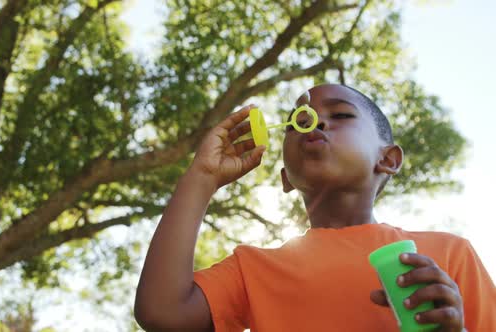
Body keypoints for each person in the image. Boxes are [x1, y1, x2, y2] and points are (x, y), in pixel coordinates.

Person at [133, 84, 496, 331]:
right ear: (286, 178)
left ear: (388, 158)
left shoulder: (448, 254)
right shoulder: (253, 269)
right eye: (297, 121)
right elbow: (162, 313)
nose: (314, 121)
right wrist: (202, 177)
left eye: (341, 115)